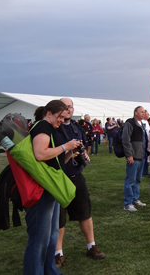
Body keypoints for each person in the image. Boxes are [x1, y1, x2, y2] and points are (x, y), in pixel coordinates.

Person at [24, 100, 81, 275]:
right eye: (60, 117)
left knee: (51, 235)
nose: (62, 121)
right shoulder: (42, 126)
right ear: (49, 113)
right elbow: (40, 154)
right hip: (42, 189)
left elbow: (53, 161)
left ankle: (49, 270)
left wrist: (70, 152)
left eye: (64, 117)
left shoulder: (49, 128)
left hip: (50, 188)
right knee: (40, 238)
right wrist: (65, 146)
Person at [53, 98, 105, 269]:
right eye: (64, 107)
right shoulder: (53, 127)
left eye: (70, 107)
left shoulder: (77, 127)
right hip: (59, 177)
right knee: (59, 218)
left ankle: (91, 246)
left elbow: (82, 145)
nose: (68, 110)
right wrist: (67, 150)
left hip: (77, 175)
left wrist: (84, 155)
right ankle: (57, 253)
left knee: (85, 212)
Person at [122, 106, 149, 212]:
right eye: (141, 112)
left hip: (141, 156)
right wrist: (129, 155)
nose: (143, 113)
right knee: (130, 180)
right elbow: (126, 139)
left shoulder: (141, 124)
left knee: (137, 179)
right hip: (134, 156)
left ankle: (135, 199)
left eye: (144, 112)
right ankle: (127, 203)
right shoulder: (130, 123)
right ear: (135, 113)